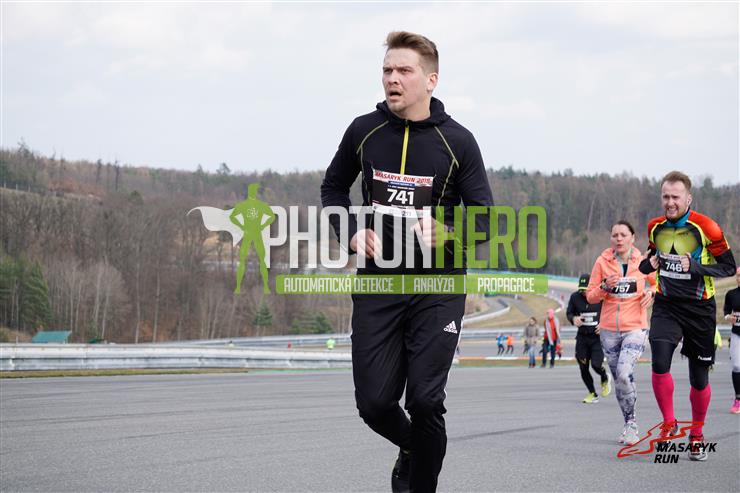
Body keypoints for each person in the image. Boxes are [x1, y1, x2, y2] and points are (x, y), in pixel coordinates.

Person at [321, 31, 494, 492]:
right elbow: (333, 188)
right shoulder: (363, 130)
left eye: (403, 71)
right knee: (375, 404)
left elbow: (485, 219)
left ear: (431, 80)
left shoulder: (458, 141)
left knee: (424, 400)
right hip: (378, 287)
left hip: (438, 290)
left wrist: (452, 232)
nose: (392, 79)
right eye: (387, 70)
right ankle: (415, 448)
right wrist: (350, 231)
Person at [639, 171, 736, 461]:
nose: (670, 202)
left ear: (688, 198)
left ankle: (696, 434)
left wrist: (695, 268)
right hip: (666, 305)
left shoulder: (707, 227)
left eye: (675, 197)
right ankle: (669, 423)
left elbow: (728, 268)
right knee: (659, 362)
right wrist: (649, 265)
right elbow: (647, 263)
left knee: (699, 379)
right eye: (665, 197)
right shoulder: (654, 227)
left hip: (699, 308)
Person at [586, 220, 656, 446]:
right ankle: (629, 422)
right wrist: (605, 286)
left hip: (635, 327)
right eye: (614, 235)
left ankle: (632, 425)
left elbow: (659, 283)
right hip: (609, 331)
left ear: (632, 238)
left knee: (625, 374)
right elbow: (590, 296)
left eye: (623, 235)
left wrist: (652, 293)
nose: (618, 239)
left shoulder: (643, 262)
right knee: (619, 380)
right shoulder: (602, 262)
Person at [567, 274, 611, 404]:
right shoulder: (575, 297)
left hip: (597, 338)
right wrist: (573, 318)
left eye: (586, 290)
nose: (583, 293)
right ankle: (592, 393)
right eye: (581, 290)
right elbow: (569, 313)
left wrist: (603, 324)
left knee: (596, 365)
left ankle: (604, 377)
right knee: (583, 367)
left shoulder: (601, 297)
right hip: (582, 337)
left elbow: (611, 312)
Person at [722, 267, 740, 414]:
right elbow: (726, 313)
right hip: (736, 334)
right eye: (738, 276)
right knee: (736, 366)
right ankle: (738, 399)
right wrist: (729, 318)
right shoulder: (731, 294)